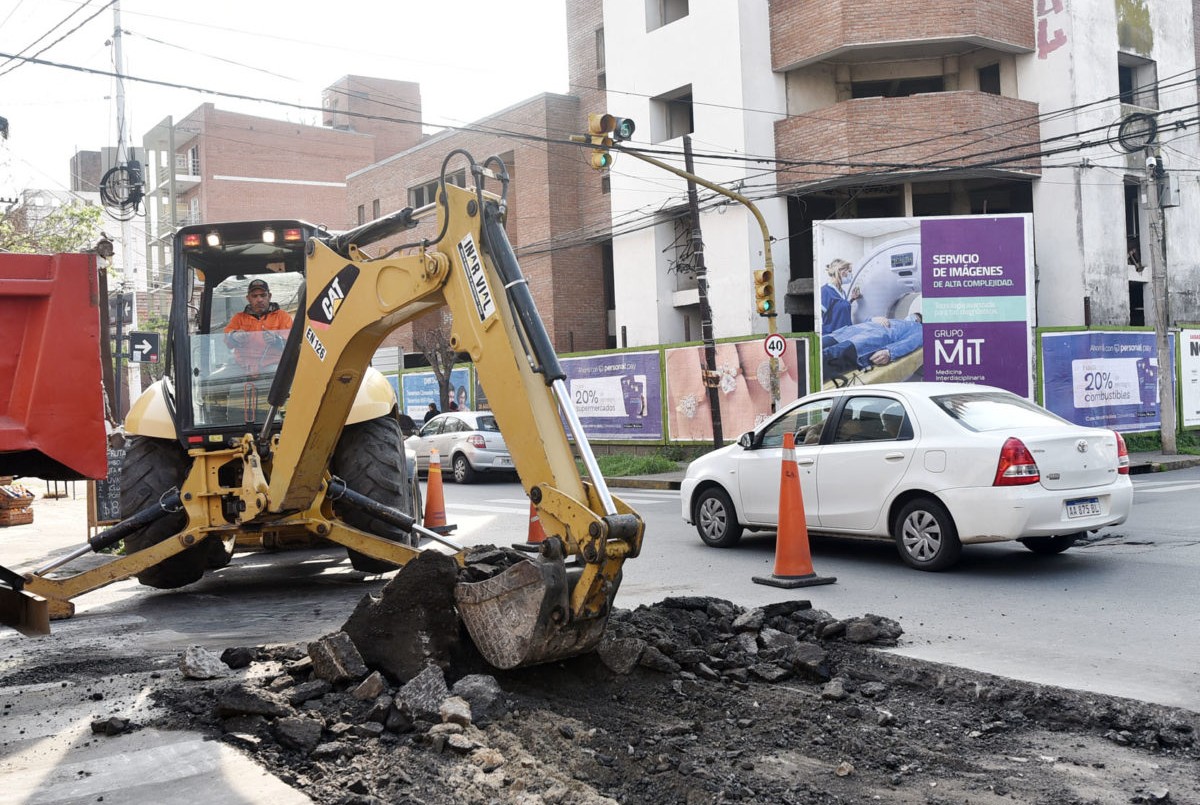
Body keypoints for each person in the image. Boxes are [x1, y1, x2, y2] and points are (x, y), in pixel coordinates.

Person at [822, 310, 923, 376]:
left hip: (868, 340)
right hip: (849, 331)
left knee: (829, 355)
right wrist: (873, 319)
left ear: (918, 321)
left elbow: (910, 342)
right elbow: (863, 320)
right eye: (912, 315)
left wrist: (889, 352)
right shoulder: (893, 319)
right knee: (820, 344)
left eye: (915, 317)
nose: (911, 317)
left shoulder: (918, 328)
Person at [224, 278, 293, 375]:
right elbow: (227, 341)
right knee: (213, 381)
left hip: (272, 366)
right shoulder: (238, 318)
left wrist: (276, 340)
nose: (259, 299)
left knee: (283, 374)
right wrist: (234, 336)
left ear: (269, 296)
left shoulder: (283, 316)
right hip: (242, 366)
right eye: (254, 296)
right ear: (248, 298)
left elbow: (291, 345)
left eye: (263, 295)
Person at [820, 258, 862, 335]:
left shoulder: (842, 292)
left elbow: (838, 309)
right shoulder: (825, 291)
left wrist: (852, 299)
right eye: (849, 271)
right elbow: (817, 316)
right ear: (842, 272)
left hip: (845, 334)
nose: (851, 275)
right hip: (832, 336)